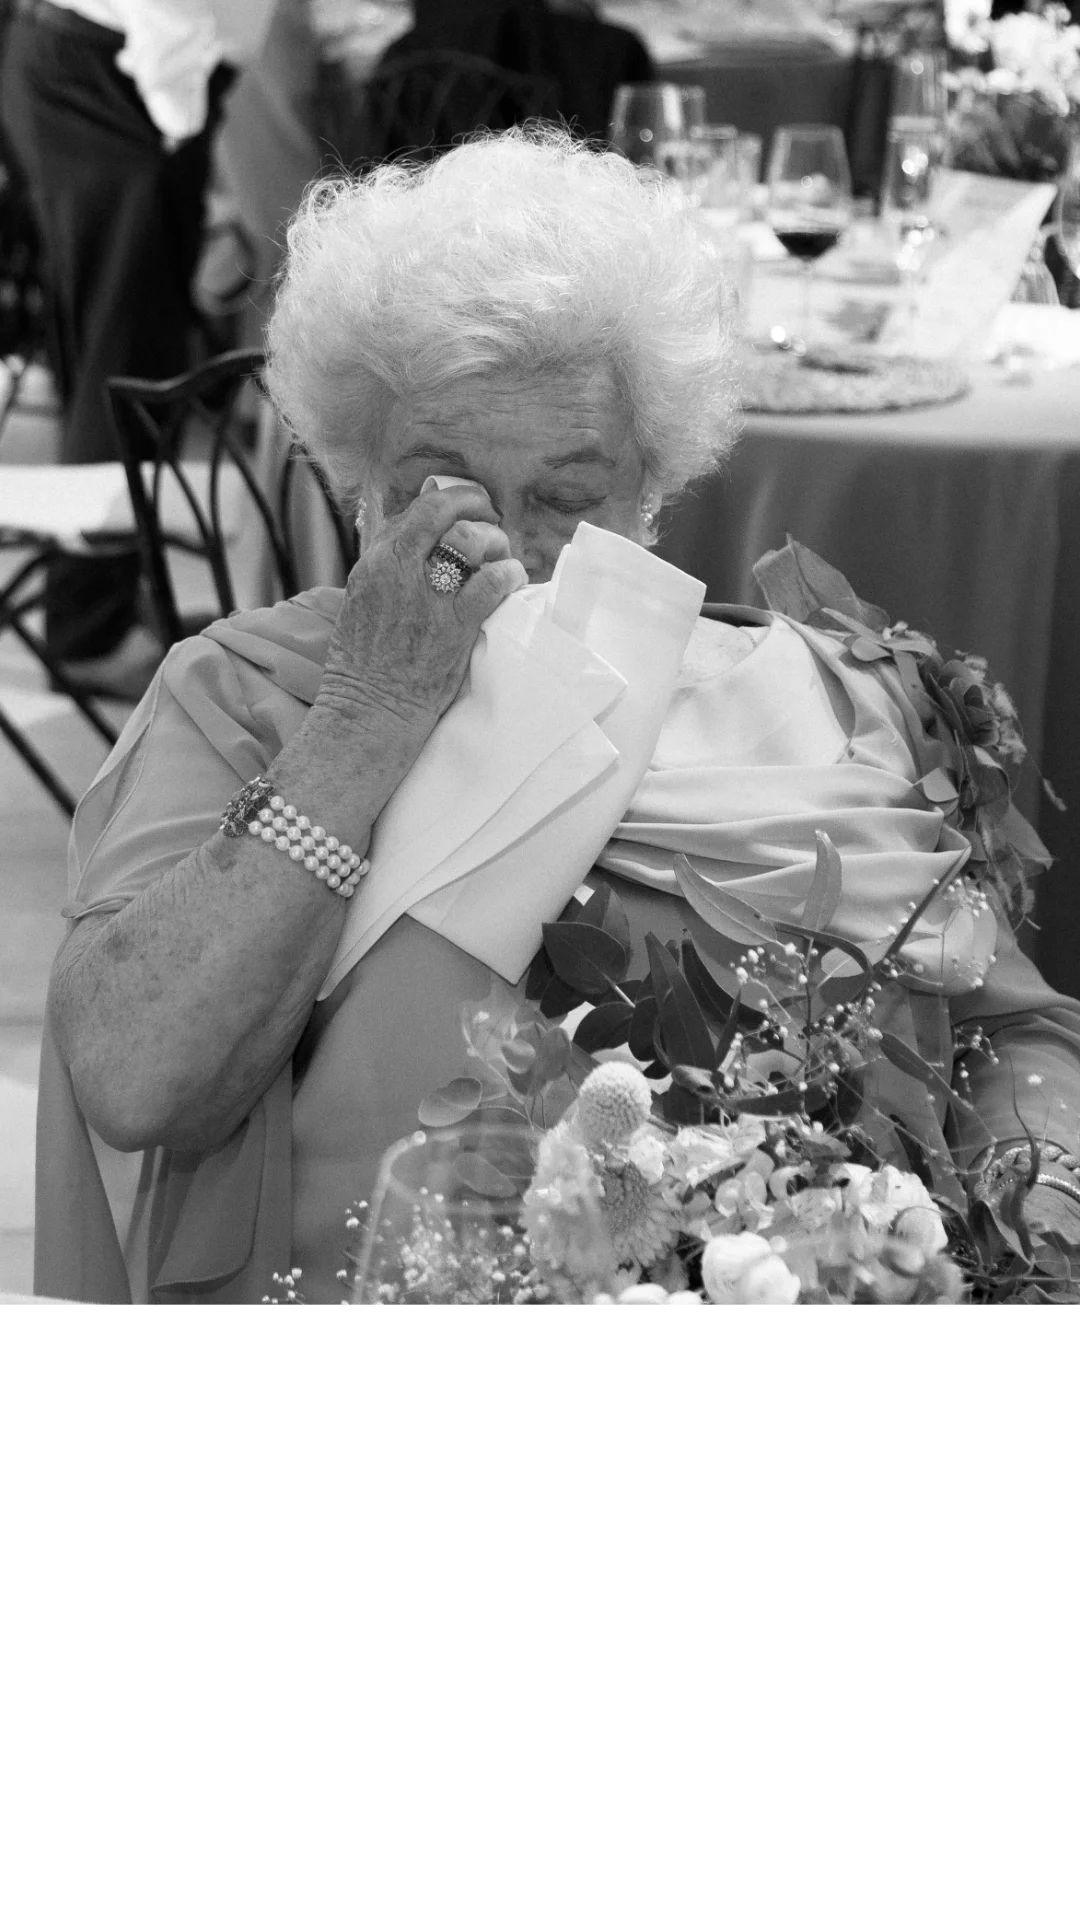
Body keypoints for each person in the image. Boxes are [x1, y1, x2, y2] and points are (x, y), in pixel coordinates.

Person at [37, 126, 1080, 1310]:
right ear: (358, 482)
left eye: (567, 499)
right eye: (441, 488)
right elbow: (135, 1077)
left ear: (652, 494)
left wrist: (1035, 1198)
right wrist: (372, 711)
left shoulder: (822, 701)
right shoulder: (247, 699)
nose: (503, 551)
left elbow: (1016, 1036)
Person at [0, 0, 274, 698]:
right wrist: (178, 119)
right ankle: (89, 630)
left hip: (108, 67)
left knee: (110, 347)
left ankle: (108, 600)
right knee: (126, 356)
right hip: (124, 80)